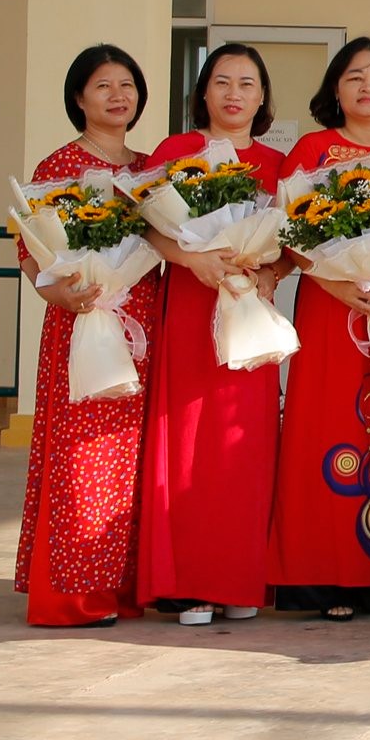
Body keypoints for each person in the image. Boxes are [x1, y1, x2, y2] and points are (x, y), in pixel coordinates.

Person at [266, 38, 370, 620]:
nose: (368, 86)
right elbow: (286, 230)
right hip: (329, 312)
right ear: (336, 87)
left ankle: (369, 578)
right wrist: (333, 282)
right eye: (355, 76)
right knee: (322, 432)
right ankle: (317, 576)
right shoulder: (313, 149)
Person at [135, 43, 286, 627]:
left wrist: (271, 271)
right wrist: (188, 257)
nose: (233, 94)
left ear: (263, 96)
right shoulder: (176, 153)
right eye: (222, 81)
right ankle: (187, 585)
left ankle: (237, 578)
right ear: (203, 91)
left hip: (249, 314)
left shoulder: (277, 165)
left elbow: (297, 240)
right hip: (190, 311)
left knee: (242, 448)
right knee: (187, 442)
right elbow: (145, 225)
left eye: (247, 83)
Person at [14, 44, 163, 628]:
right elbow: (31, 248)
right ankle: (74, 593)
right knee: (83, 456)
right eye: (103, 86)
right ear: (79, 97)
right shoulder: (59, 167)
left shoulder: (150, 169)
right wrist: (60, 295)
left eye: (127, 85)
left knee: (134, 455)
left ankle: (125, 586)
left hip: (141, 324)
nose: (118, 96)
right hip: (82, 324)